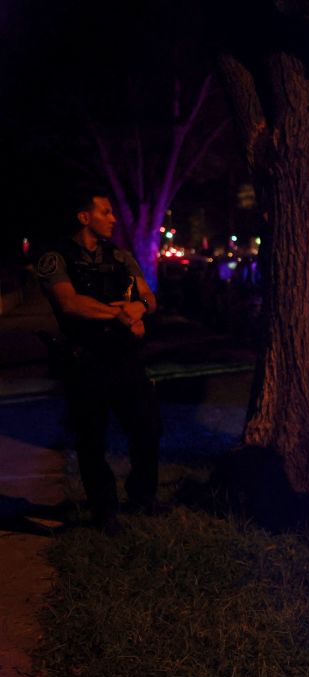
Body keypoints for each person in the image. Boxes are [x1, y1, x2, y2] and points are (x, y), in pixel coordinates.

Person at [36, 190, 162, 535]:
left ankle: (143, 496)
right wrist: (118, 314)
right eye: (105, 212)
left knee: (147, 427)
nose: (114, 218)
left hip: (125, 358)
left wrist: (137, 310)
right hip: (85, 361)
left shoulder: (120, 256)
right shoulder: (55, 258)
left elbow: (148, 297)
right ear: (84, 217)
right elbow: (69, 303)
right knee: (91, 440)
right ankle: (104, 511)